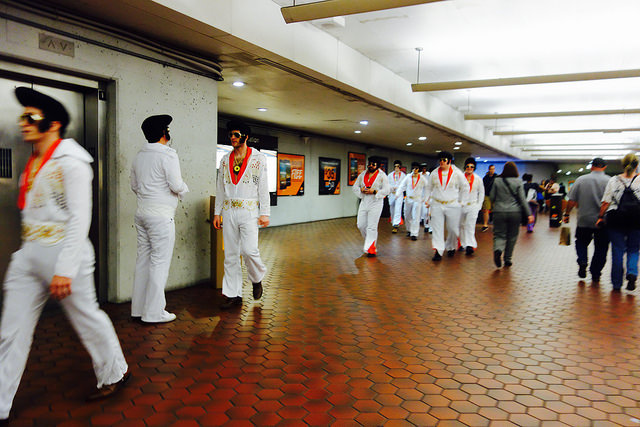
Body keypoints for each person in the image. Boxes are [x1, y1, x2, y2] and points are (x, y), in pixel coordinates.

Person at [0, 88, 129, 421]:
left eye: (31, 117)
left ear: (54, 124)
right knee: (11, 331)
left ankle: (114, 372)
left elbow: (79, 218)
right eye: (22, 117)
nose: (24, 123)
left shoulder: (73, 163)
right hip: (28, 254)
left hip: (64, 254)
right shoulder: (34, 160)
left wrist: (65, 268)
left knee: (87, 318)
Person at [130, 114, 189, 323]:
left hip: (142, 213)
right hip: (161, 216)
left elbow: (134, 186)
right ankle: (154, 313)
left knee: (143, 261)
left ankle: (138, 309)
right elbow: (176, 184)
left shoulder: (139, 156)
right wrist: (184, 189)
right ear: (164, 133)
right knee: (159, 263)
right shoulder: (168, 155)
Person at [213, 120, 270, 309]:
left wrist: (265, 213)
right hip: (229, 210)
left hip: (249, 210)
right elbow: (220, 188)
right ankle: (233, 294)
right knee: (230, 254)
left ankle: (256, 278)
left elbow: (263, 187)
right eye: (230, 134)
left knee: (249, 250)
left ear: (245, 136)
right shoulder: (224, 160)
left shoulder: (258, 158)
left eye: (236, 135)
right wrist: (217, 213)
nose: (232, 138)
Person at [596, 153, 640, 292]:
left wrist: (600, 217)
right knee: (634, 249)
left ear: (623, 165)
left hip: (616, 219)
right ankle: (632, 273)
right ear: (637, 165)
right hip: (636, 219)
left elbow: (606, 202)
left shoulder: (614, 180)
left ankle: (616, 283)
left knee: (617, 250)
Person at [563, 158, 610, 283]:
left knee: (581, 242)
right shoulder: (610, 181)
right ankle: (595, 272)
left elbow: (571, 200)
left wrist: (567, 214)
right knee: (601, 248)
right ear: (604, 167)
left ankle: (583, 260)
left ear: (591, 166)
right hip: (603, 221)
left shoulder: (581, 180)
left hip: (584, 219)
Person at [489, 162, 534, 268]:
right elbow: (522, 200)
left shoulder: (497, 181)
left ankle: (498, 250)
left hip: (499, 211)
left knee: (499, 235)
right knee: (512, 236)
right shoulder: (518, 182)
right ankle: (507, 259)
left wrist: (498, 203)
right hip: (515, 212)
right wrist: (529, 214)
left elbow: (491, 197)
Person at [425, 151, 466, 261]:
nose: (442, 162)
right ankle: (438, 250)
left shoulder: (457, 173)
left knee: (452, 228)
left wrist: (462, 201)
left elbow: (464, 187)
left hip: (452, 204)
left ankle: (451, 246)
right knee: (437, 228)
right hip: (437, 204)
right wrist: (426, 199)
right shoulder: (434, 173)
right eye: (440, 160)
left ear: (449, 161)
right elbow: (429, 187)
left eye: (444, 160)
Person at [353, 158, 390, 256]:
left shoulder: (382, 176)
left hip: (376, 202)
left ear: (378, 166)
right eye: (369, 164)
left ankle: (371, 248)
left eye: (373, 164)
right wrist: (361, 190)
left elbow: (387, 190)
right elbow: (355, 187)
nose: (370, 166)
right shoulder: (362, 174)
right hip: (364, 201)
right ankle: (369, 242)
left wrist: (374, 191)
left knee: (372, 227)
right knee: (360, 225)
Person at [396, 162, 428, 240]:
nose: (415, 170)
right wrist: (398, 193)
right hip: (408, 199)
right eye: (413, 168)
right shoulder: (408, 177)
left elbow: (428, 188)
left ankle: (414, 233)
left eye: (416, 168)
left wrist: (425, 198)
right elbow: (402, 186)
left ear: (419, 169)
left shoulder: (422, 178)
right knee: (407, 215)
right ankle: (409, 230)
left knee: (415, 216)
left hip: (417, 200)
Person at [459, 157, 484, 255]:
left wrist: (479, 205)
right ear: (465, 167)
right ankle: (462, 244)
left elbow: (481, 192)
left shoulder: (478, 179)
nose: (469, 168)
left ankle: (470, 245)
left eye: (472, 167)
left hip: (473, 205)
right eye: (468, 166)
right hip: (461, 206)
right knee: (461, 225)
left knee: (470, 225)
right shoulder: (460, 178)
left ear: (474, 168)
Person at [387, 160, 406, 233]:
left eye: (398, 167)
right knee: (392, 208)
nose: (396, 168)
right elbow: (387, 184)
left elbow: (405, 186)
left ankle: (396, 224)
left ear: (400, 167)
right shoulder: (390, 175)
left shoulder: (403, 176)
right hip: (392, 194)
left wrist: (400, 189)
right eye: (395, 166)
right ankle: (393, 222)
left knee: (398, 208)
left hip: (399, 195)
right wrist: (392, 188)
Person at [481, 164, 496, 231]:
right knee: (486, 210)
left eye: (493, 169)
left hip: (495, 195)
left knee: (495, 210)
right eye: (491, 169)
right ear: (489, 169)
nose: (492, 170)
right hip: (487, 195)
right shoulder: (485, 178)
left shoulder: (497, 177)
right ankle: (485, 224)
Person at [420, 163, 431, 233]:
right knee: (422, 211)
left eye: (425, 168)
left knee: (427, 212)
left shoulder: (428, 175)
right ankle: (423, 222)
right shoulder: (419, 175)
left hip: (427, 195)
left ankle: (427, 226)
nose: (424, 169)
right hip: (420, 194)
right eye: (423, 168)